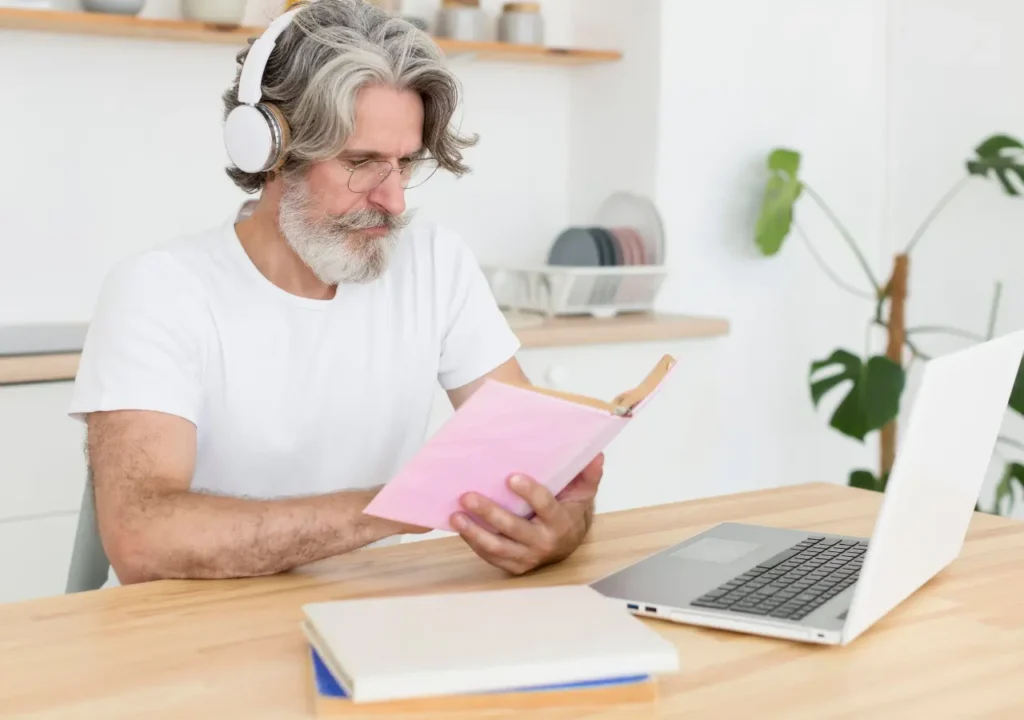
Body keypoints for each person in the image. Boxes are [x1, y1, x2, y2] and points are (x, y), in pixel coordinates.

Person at [70, 0, 603, 586]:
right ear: (269, 151)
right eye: (361, 162)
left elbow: (538, 467)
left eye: (405, 163)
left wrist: (563, 527)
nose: (394, 200)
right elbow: (142, 538)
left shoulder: (435, 263)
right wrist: (398, 504)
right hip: (196, 628)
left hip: (375, 616)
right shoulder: (159, 290)